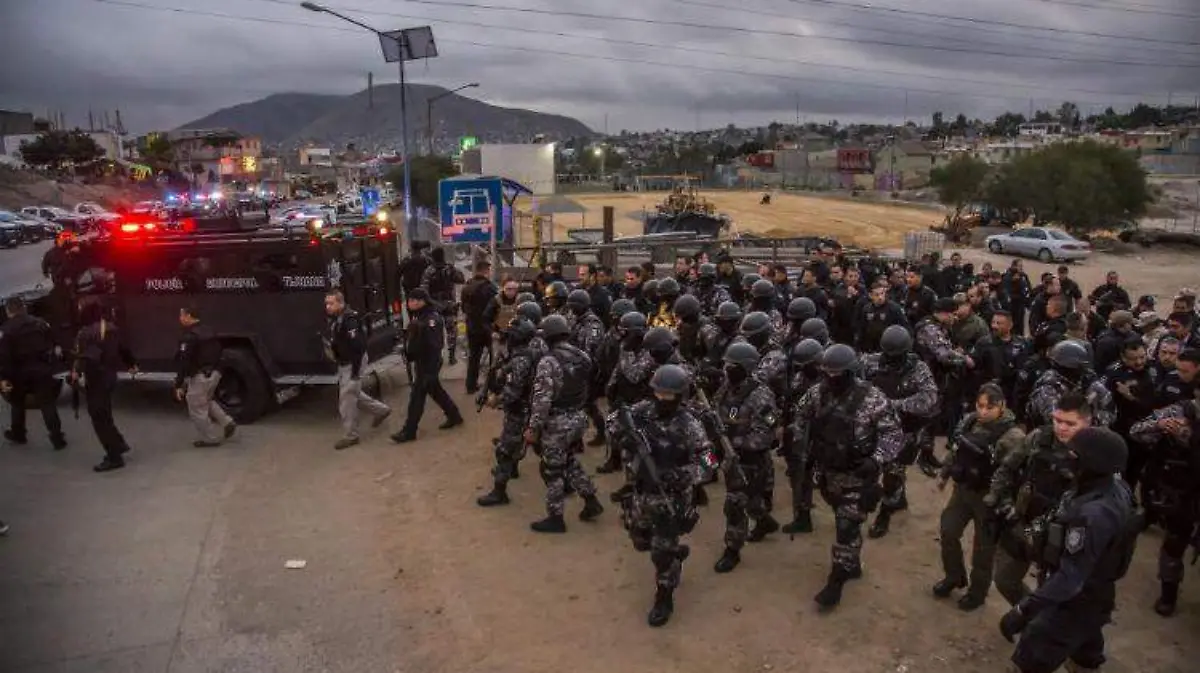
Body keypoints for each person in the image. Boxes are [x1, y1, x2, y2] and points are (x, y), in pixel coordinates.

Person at [999, 428, 1138, 673]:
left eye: (1073, 453)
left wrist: (1023, 610)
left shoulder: (1094, 514)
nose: (1066, 456)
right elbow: (1061, 513)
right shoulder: (1100, 486)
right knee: (1085, 655)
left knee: (1030, 659)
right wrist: (1028, 535)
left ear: (1093, 463)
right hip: (1092, 597)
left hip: (1074, 601)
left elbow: (1070, 579)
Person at [789, 343, 903, 608]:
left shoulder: (873, 399)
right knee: (842, 518)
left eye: (836, 374)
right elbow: (801, 416)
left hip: (858, 475)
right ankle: (851, 563)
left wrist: (876, 460)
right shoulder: (817, 393)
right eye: (826, 373)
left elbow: (893, 434)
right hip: (828, 473)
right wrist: (800, 442)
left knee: (846, 526)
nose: (831, 378)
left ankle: (836, 581)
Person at [609, 364, 709, 627]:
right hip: (641, 491)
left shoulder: (690, 425)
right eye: (659, 394)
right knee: (640, 539)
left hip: (671, 496)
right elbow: (614, 421)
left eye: (669, 396)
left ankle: (664, 595)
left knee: (661, 551)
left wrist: (685, 474)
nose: (662, 400)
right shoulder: (642, 411)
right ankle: (674, 554)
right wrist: (622, 436)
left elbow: (708, 460)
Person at [990, 392, 1090, 606]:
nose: (1061, 428)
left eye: (1070, 423)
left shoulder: (1096, 452)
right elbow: (1007, 468)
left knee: (1053, 595)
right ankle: (1028, 614)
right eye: (1057, 420)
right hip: (1024, 524)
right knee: (1004, 580)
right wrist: (1005, 502)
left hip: (1061, 537)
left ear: (1087, 421)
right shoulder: (1038, 438)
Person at [934, 384, 1026, 611]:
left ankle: (977, 593)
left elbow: (1015, 473)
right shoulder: (969, 422)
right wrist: (945, 473)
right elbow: (957, 450)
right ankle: (954, 576)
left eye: (989, 407)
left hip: (989, 499)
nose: (983, 411)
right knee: (948, 530)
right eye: (980, 406)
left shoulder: (1013, 436)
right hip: (964, 491)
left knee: (983, 550)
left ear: (1002, 406)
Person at [526, 315, 604, 533]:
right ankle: (591, 500)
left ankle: (556, 518)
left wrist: (533, 428)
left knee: (553, 470)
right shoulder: (581, 355)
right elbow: (592, 381)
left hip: (557, 422)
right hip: (578, 418)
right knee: (569, 461)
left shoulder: (548, 361)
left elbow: (542, 401)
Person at [860, 326, 940, 539]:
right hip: (874, 427)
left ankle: (885, 514)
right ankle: (897, 498)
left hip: (903, 429)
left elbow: (929, 398)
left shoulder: (918, 369)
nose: (891, 359)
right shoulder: (871, 362)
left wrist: (893, 404)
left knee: (892, 475)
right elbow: (857, 383)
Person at [1129, 389, 1200, 617]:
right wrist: (1159, 426)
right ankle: (1168, 594)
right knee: (1174, 545)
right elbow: (1136, 431)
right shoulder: (1178, 411)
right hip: (1182, 494)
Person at [712, 342, 780, 574]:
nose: (727, 369)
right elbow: (715, 410)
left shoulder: (761, 395)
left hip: (752, 460)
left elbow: (767, 432)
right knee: (748, 502)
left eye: (733, 365)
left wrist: (738, 444)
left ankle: (732, 550)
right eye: (727, 364)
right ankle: (764, 521)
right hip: (731, 456)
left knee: (735, 504)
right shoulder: (727, 388)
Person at [476, 318, 541, 507]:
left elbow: (513, 391)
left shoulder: (521, 360)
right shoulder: (524, 354)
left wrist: (494, 400)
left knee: (504, 450)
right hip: (527, 410)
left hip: (521, 411)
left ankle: (499, 492)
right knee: (540, 448)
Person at [71, 301, 137, 472]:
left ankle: (114, 456)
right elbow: (124, 349)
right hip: (110, 377)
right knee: (105, 415)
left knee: (99, 419)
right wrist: (131, 364)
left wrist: (76, 373)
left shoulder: (84, 333)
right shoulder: (112, 328)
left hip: (96, 379)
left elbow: (82, 357)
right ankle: (119, 444)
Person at [391, 288, 463, 443]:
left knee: (417, 397)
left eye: (412, 300)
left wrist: (430, 370)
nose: (409, 303)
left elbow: (434, 346)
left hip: (428, 364)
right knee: (435, 391)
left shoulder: (431, 319)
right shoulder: (421, 316)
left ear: (421, 301)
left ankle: (409, 431)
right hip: (423, 362)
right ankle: (454, 415)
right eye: (409, 300)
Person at [322, 291, 390, 450]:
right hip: (345, 363)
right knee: (354, 393)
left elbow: (359, 348)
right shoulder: (338, 318)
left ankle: (351, 436)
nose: (327, 307)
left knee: (346, 401)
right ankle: (382, 411)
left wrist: (355, 373)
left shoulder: (350, 320)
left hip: (353, 363)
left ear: (341, 303)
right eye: (326, 304)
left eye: (331, 303)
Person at [0, 296, 65, 450]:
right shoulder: (41, 323)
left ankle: (19, 434)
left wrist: (3, 378)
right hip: (41, 369)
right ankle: (57, 437)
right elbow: (54, 343)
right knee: (47, 404)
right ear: (24, 307)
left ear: (9, 310)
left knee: (17, 403)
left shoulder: (6, 329)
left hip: (18, 373)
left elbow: (4, 356)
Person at [780, 338, 825, 534]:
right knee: (799, 477)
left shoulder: (827, 383)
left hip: (818, 437)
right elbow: (789, 401)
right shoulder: (799, 377)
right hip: (797, 433)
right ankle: (802, 516)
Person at [174, 306, 235, 448]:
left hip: (200, 375)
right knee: (206, 400)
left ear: (188, 316)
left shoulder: (189, 337)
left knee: (196, 406)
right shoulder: (209, 331)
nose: (180, 318)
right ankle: (227, 422)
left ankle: (211, 438)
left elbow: (184, 362)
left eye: (181, 315)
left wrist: (179, 384)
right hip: (215, 373)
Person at [420, 247, 466, 365]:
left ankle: (438, 355)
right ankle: (451, 356)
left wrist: (430, 303)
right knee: (451, 330)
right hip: (449, 305)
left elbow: (424, 290)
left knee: (435, 331)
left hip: (434, 306)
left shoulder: (429, 271)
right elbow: (461, 279)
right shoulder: (449, 269)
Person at [460, 261, 498, 395]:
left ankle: (470, 385)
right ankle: (493, 386)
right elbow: (497, 306)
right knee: (495, 357)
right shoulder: (490, 287)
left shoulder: (467, 286)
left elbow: (463, 307)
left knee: (474, 357)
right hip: (487, 327)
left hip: (472, 327)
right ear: (486, 270)